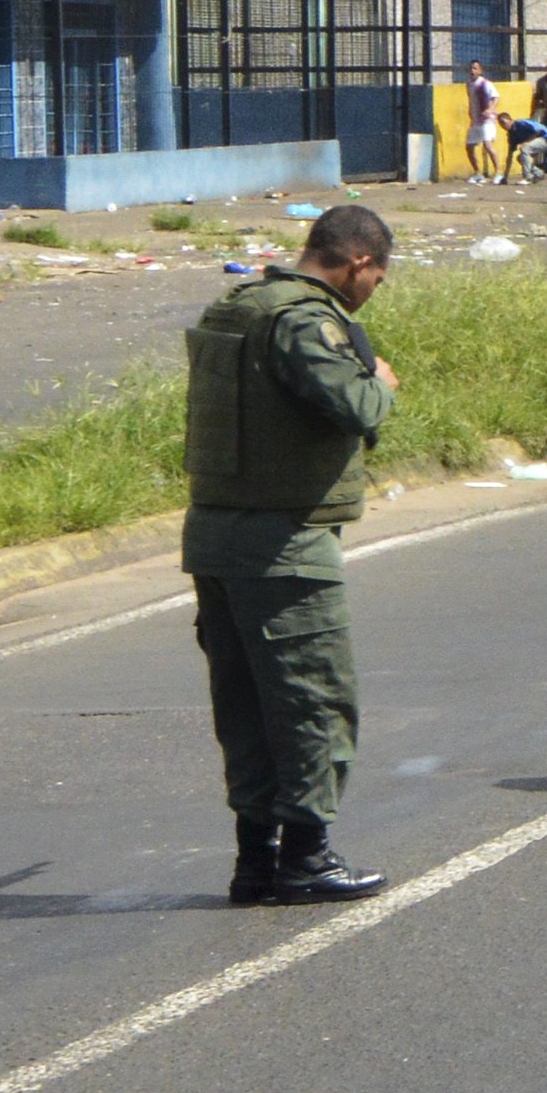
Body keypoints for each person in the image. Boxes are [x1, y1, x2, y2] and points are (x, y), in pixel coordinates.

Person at [180, 205, 401, 906]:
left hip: (214, 535)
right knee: (312, 700)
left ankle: (256, 861)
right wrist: (382, 385)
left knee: (243, 705)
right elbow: (355, 406)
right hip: (284, 543)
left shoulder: (236, 305)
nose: (373, 290)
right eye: (378, 277)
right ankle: (305, 857)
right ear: (358, 262)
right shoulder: (305, 319)